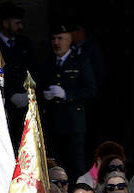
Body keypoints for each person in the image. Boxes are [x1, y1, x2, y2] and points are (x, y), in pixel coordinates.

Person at [37, 24, 96, 176]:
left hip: (73, 124)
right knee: (55, 166)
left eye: (60, 38)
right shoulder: (48, 63)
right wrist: (44, 95)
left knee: (76, 166)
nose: (56, 42)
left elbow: (90, 90)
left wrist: (66, 94)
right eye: (54, 38)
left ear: (69, 40)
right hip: (52, 123)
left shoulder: (80, 62)